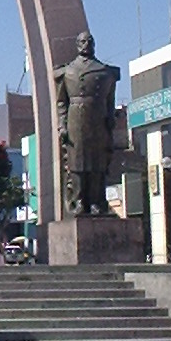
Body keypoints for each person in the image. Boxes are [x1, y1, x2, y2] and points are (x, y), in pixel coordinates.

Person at [54, 30, 120, 217]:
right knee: (77, 162)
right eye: (83, 41)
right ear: (77, 45)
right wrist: (62, 124)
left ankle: (97, 201)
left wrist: (110, 119)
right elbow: (61, 102)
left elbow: (110, 100)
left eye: (90, 41)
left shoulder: (105, 71)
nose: (86, 44)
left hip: (98, 119)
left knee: (97, 162)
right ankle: (80, 200)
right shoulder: (68, 71)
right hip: (76, 119)